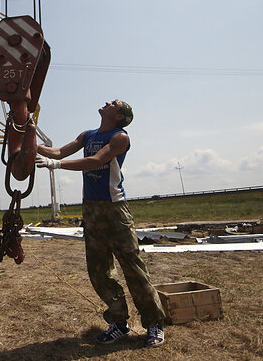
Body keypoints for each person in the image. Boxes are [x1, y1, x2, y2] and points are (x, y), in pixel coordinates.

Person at [35, 99, 166, 348]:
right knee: (99, 270)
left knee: (133, 268)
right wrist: (33, 144)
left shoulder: (120, 137)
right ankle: (118, 323)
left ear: (119, 116)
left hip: (114, 209)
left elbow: (96, 161)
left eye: (113, 103)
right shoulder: (87, 134)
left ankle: (154, 323)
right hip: (91, 209)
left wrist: (57, 166)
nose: (107, 102)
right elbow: (59, 151)